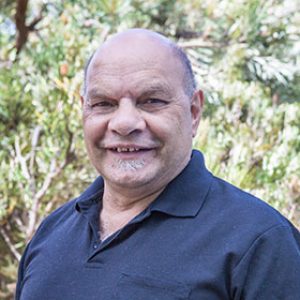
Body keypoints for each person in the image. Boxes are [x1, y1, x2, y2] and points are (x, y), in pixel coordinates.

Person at [16, 29, 300, 300]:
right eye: (103, 103)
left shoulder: (260, 241)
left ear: (194, 112)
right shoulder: (51, 233)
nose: (124, 123)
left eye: (151, 101)